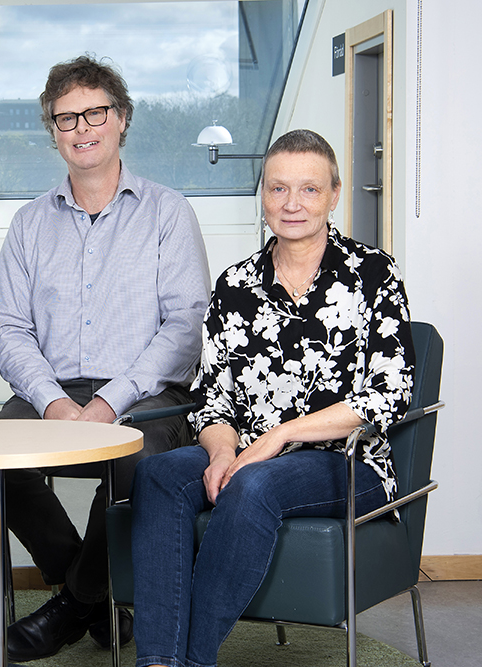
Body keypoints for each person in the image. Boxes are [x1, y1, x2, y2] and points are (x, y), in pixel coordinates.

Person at [129, 128, 415, 667]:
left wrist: (279, 437)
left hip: (347, 463)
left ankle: (193, 659)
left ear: (333, 194)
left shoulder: (373, 273)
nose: (292, 204)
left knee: (255, 482)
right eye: (278, 188)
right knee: (160, 474)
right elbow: (213, 396)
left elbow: (388, 394)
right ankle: (159, 661)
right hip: (247, 453)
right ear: (262, 195)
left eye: (308, 190)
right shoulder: (235, 285)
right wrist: (219, 452)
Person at [0, 55, 211, 661]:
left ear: (122, 119)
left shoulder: (168, 211)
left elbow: (186, 325)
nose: (82, 128)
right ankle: (89, 594)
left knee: (143, 464)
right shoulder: (30, 223)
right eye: (66, 119)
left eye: (95, 113)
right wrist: (53, 400)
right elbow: (5, 326)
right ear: (53, 132)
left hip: (147, 396)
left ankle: (73, 604)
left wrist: (113, 399)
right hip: (51, 390)